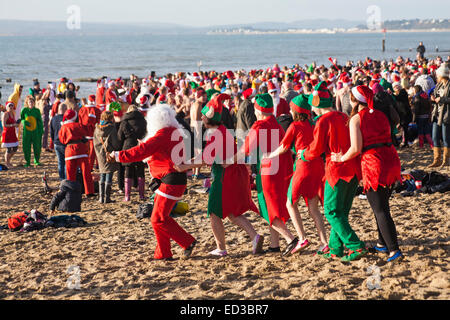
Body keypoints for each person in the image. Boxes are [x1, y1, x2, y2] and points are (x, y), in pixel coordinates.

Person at [175, 94, 264, 256]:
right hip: (234, 173)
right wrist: (188, 162)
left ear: (209, 118)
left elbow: (206, 158)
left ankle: (221, 248)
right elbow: (207, 156)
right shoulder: (221, 130)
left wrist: (185, 166)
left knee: (214, 213)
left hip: (224, 175)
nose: (201, 117)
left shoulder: (215, 133)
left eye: (203, 115)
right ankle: (255, 237)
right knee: (232, 213)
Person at [110, 104, 197, 261]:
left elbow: (143, 151)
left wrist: (118, 156)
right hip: (172, 179)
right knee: (159, 218)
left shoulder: (163, 134)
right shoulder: (174, 132)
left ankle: (186, 242)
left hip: (170, 180)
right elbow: (152, 150)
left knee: (158, 219)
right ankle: (164, 252)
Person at [331, 85, 403, 262]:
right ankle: (382, 244)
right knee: (383, 203)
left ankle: (394, 250)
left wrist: (340, 159)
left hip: (374, 162)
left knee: (380, 209)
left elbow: (356, 148)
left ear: (354, 101)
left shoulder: (356, 119)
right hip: (391, 159)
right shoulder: (381, 114)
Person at [298, 81, 366, 261]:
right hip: (353, 168)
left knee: (331, 210)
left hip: (337, 169)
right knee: (341, 211)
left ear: (315, 104)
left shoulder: (323, 120)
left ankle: (355, 246)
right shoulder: (343, 115)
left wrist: (303, 154)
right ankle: (336, 247)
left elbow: (316, 149)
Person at [232, 93, 299, 256]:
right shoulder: (276, 124)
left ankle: (290, 239)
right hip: (283, 169)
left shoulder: (259, 126)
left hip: (269, 171)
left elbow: (245, 150)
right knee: (275, 207)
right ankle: (274, 245)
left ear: (258, 110)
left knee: (267, 209)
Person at [266, 94, 328, 254]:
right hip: (318, 166)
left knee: (291, 203)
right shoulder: (314, 124)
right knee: (313, 208)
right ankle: (324, 242)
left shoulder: (294, 126)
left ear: (295, 110)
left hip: (303, 167)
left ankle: (302, 238)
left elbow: (284, 147)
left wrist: (269, 155)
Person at [58, 109, 95, 197]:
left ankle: (71, 192)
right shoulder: (78, 125)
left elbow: (62, 140)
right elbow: (86, 133)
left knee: (70, 173)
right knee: (86, 172)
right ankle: (89, 192)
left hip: (69, 150)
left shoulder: (63, 127)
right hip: (80, 149)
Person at [117, 104, 147, 201]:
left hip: (128, 146)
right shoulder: (143, 121)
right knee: (141, 171)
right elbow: (147, 133)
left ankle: (127, 196)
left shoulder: (124, 122)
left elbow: (120, 137)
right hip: (140, 145)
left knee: (128, 170)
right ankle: (141, 195)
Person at [93, 111, 121, 203]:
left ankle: (101, 198)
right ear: (110, 118)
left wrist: (99, 151)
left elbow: (95, 142)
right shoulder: (111, 128)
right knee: (109, 173)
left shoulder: (97, 128)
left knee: (102, 173)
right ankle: (107, 197)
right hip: (109, 153)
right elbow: (115, 143)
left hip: (100, 154)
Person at [429, 64, 450, 167]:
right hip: (437, 114)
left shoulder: (449, 85)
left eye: (438, 75)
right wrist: (433, 99)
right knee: (434, 137)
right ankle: (436, 160)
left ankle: (445, 161)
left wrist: (441, 99)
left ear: (442, 75)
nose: (436, 77)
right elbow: (436, 97)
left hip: (446, 114)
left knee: (446, 138)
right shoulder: (438, 85)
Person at [78, 95, 102, 171]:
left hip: (84, 134)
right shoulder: (97, 110)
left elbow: (80, 122)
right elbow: (99, 123)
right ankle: (91, 166)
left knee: (84, 151)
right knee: (93, 152)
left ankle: (84, 167)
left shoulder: (82, 110)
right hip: (93, 134)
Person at [20, 95, 43, 167]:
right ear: (27, 102)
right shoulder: (24, 110)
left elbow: (40, 122)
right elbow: (21, 119)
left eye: (32, 102)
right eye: (30, 102)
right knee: (26, 147)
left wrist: (41, 130)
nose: (31, 103)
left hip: (35, 132)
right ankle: (27, 162)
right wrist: (24, 122)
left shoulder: (37, 111)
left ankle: (36, 161)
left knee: (37, 147)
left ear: (34, 102)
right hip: (26, 132)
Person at [190, 88, 207, 179]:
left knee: (196, 152)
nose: (205, 98)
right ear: (198, 96)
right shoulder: (198, 105)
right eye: (203, 97)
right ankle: (197, 173)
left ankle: (194, 172)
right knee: (199, 152)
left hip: (193, 128)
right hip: (197, 129)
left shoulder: (194, 104)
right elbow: (197, 120)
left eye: (205, 96)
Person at [392, 82, 413, 147]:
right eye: (395, 87)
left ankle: (405, 142)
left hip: (405, 114)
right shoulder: (398, 93)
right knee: (403, 128)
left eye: (397, 86)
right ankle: (405, 141)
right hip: (401, 114)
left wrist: (392, 94)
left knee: (404, 128)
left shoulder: (403, 92)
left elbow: (399, 98)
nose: (396, 88)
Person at [50, 102, 67, 180]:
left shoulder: (53, 119)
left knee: (60, 162)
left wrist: (54, 141)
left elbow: (52, 132)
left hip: (57, 142)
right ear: (65, 110)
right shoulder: (66, 119)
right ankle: (67, 179)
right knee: (66, 163)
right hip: (65, 143)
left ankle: (61, 179)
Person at [1, 101, 19, 167]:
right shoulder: (5, 114)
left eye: (12, 106)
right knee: (8, 149)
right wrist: (12, 125)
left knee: (15, 148)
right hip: (7, 133)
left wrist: (16, 124)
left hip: (12, 133)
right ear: (7, 107)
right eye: (9, 106)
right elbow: (4, 125)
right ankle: (7, 162)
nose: (11, 107)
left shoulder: (13, 114)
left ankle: (8, 160)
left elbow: (13, 123)